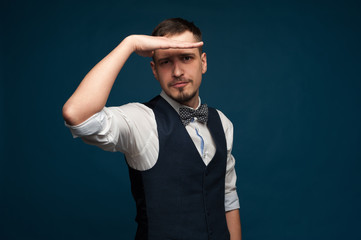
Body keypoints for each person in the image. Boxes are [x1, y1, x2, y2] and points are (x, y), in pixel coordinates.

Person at [63, 18, 241, 240]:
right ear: (154, 70)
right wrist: (130, 44)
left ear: (203, 62)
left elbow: (227, 196)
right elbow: (76, 114)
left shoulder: (222, 122)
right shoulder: (142, 120)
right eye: (166, 61)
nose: (177, 71)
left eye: (186, 58)